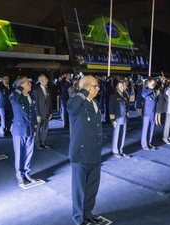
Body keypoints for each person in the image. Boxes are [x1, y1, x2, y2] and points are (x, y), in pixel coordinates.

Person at [67, 75, 104, 225]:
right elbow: (70, 108)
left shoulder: (93, 103)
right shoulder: (76, 103)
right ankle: (78, 218)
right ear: (87, 87)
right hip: (80, 155)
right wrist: (83, 91)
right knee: (79, 190)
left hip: (94, 153)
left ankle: (88, 214)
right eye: (95, 86)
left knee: (91, 188)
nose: (98, 89)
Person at [9, 76, 39, 187]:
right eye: (28, 83)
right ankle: (19, 176)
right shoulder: (15, 96)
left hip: (30, 128)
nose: (30, 85)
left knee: (29, 153)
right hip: (19, 129)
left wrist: (35, 127)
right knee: (19, 154)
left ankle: (27, 173)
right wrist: (19, 88)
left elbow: (33, 113)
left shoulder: (31, 96)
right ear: (22, 85)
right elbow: (13, 99)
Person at [109, 81, 130, 158]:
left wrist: (127, 112)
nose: (122, 87)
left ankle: (121, 149)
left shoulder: (125, 95)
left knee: (123, 134)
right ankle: (115, 151)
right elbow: (111, 109)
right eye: (120, 86)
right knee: (116, 135)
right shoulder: (114, 96)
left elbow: (127, 105)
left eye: (123, 86)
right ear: (117, 87)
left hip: (124, 117)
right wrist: (112, 120)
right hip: (117, 118)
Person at [33, 74, 52, 149]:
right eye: (45, 79)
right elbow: (36, 104)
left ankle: (43, 142)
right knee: (38, 129)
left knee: (45, 128)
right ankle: (38, 143)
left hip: (47, 113)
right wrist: (37, 114)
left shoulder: (48, 90)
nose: (47, 80)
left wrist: (51, 112)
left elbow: (49, 102)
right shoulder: (36, 91)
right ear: (41, 81)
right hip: (40, 114)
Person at [141, 78, 158, 150]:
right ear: (148, 83)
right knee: (145, 129)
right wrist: (151, 89)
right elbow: (143, 95)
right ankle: (144, 144)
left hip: (152, 112)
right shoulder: (145, 90)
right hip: (146, 113)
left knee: (151, 129)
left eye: (154, 83)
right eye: (152, 83)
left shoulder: (154, 91)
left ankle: (149, 142)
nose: (154, 84)